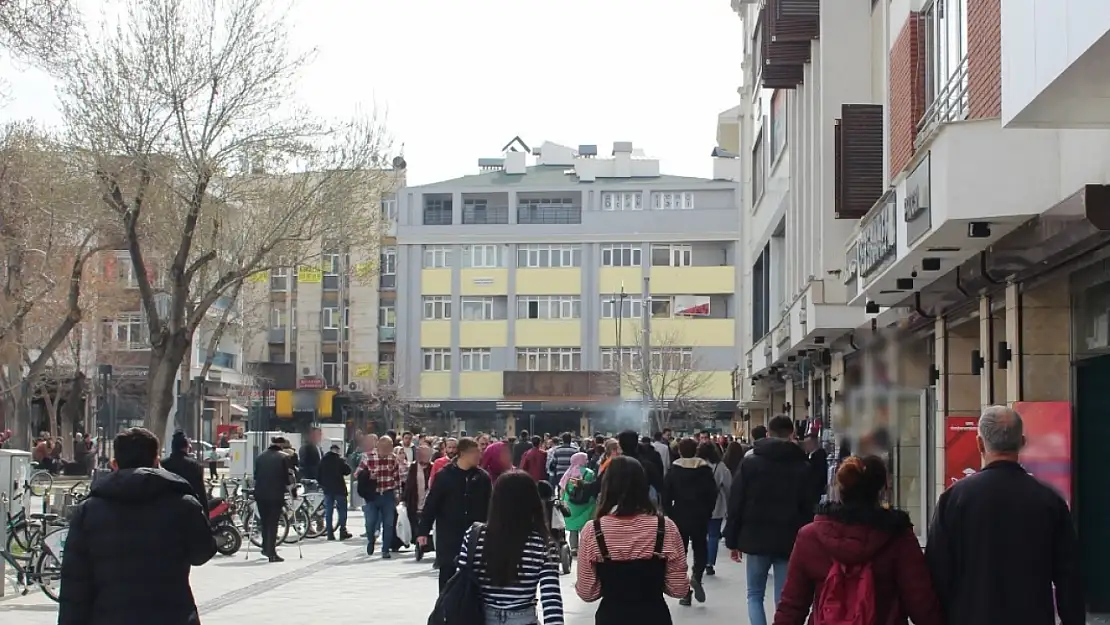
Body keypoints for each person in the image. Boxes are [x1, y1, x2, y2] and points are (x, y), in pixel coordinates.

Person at [925, 406, 1084, 625]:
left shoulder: (953, 500)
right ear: (1022, 442)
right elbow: (1069, 577)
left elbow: (937, 572)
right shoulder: (1049, 501)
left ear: (980, 443)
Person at [58, 427, 215, 625]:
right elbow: (202, 553)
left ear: (114, 464)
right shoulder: (183, 504)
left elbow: (74, 585)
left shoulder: (88, 511)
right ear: (157, 462)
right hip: (172, 615)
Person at [772, 455, 943, 625]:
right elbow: (921, 604)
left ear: (840, 489)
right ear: (881, 490)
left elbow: (792, 606)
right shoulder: (898, 537)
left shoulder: (810, 537)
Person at [575, 456, 689, 625]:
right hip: (654, 616)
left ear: (607, 487)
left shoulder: (593, 531)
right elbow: (679, 589)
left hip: (611, 617)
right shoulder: (665, 527)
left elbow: (587, 593)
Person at [725, 415, 812, 625]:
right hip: (789, 539)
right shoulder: (802, 464)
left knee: (754, 594)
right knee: (784, 598)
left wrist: (732, 540)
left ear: (768, 433)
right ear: (792, 433)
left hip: (755, 537)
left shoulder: (751, 461)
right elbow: (809, 506)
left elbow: (736, 501)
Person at [458, 471, 564, 625]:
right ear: (533, 502)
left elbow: (461, 585)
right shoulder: (542, 544)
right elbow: (551, 599)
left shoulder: (475, 535)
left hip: (481, 618)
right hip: (524, 619)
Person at [418, 436, 492, 589]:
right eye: (475, 452)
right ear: (463, 454)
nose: (479, 455)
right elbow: (431, 504)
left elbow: (490, 506)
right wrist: (422, 531)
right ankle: (445, 609)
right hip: (449, 535)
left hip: (475, 535)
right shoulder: (444, 476)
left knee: (475, 576)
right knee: (447, 574)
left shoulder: (482, 477)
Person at [662, 437, 718, 606]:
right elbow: (712, 493)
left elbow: (666, 495)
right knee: (701, 547)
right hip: (700, 515)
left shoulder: (674, 470)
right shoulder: (705, 469)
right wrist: (708, 511)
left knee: (681, 552)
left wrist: (670, 513)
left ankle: (685, 591)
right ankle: (697, 576)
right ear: (696, 450)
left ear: (679, 451)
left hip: (680, 514)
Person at [355, 434, 405, 557]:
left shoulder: (393, 459)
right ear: (378, 446)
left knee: (388, 523)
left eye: (389, 447)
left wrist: (398, 495)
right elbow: (357, 474)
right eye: (383, 447)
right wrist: (368, 475)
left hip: (388, 494)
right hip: (373, 495)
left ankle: (385, 550)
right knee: (370, 522)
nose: (386, 451)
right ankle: (371, 540)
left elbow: (397, 478)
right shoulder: (368, 457)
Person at [254, 437, 294, 562]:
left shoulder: (260, 457)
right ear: (281, 445)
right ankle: (271, 552)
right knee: (273, 523)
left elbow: (255, 475)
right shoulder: (284, 457)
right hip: (275, 494)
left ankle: (265, 547)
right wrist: (292, 490)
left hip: (260, 494)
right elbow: (288, 478)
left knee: (265, 522)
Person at [697, 441, 731, 576]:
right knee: (713, 535)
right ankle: (709, 563)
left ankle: (699, 560)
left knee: (700, 534)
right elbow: (728, 486)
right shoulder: (720, 466)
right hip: (716, 504)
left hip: (698, 504)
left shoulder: (696, 465)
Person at [161, 431, 209, 513]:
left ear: (173, 447)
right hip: (189, 511)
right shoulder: (195, 466)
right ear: (186, 447)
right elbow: (201, 493)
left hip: (167, 511)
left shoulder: (163, 465)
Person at [560, 451, 595, 554]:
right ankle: (585, 547)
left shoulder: (568, 472)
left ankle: (574, 548)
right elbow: (592, 487)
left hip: (570, 502)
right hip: (586, 503)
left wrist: (562, 500)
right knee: (584, 525)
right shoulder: (589, 473)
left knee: (572, 528)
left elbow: (562, 489)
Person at [403, 443, 433, 561]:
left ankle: (423, 544)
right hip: (414, 502)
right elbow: (408, 485)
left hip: (428, 501)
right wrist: (403, 499)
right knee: (415, 525)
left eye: (426, 454)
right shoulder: (413, 467)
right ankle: (418, 544)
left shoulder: (433, 467)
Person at [317, 443, 352, 541]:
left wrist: (322, 484)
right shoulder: (339, 460)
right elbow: (348, 471)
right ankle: (342, 531)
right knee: (342, 510)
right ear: (337, 450)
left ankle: (329, 533)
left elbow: (318, 474)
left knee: (329, 511)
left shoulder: (323, 460)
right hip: (339, 488)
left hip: (327, 489)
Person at [802, 433, 829, 507]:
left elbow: (819, 475)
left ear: (812, 443)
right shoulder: (810, 456)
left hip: (816, 491)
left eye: (807, 443)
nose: (805, 446)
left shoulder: (819, 456)